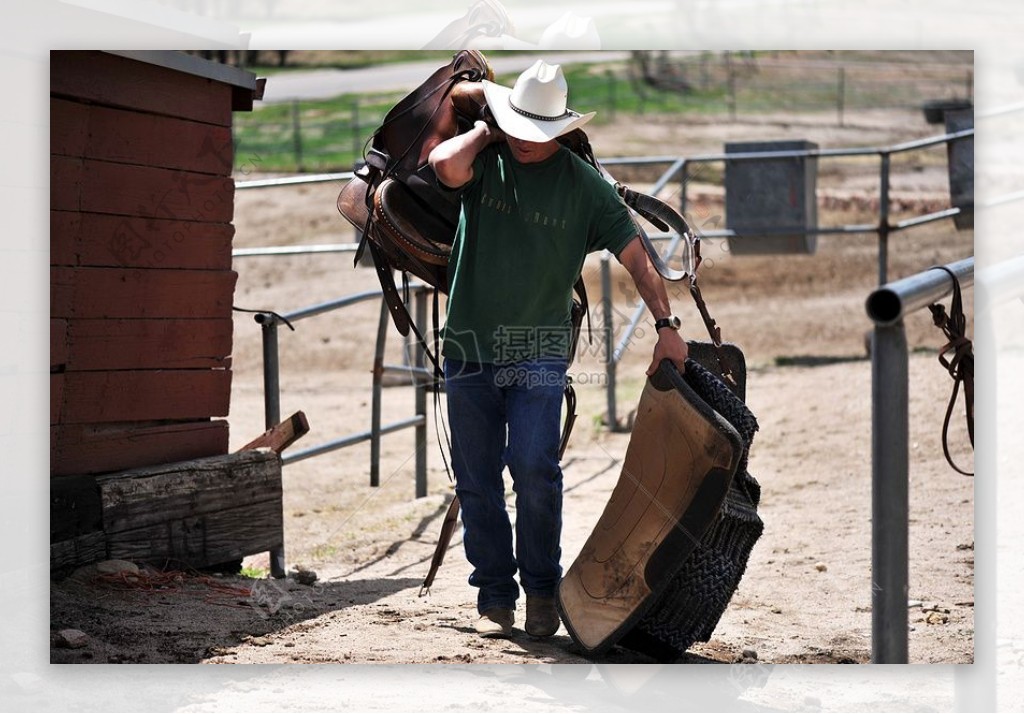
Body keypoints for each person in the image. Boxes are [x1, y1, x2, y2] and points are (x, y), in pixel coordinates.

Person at [428, 60, 689, 639]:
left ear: (559, 130)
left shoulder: (584, 187)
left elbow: (638, 256)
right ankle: (495, 594)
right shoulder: (485, 158)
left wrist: (667, 324)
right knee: (476, 477)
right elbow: (443, 165)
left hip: (540, 347)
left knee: (534, 470)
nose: (527, 141)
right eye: (519, 126)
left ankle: (542, 590)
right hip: (467, 343)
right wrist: (489, 130)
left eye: (537, 131)